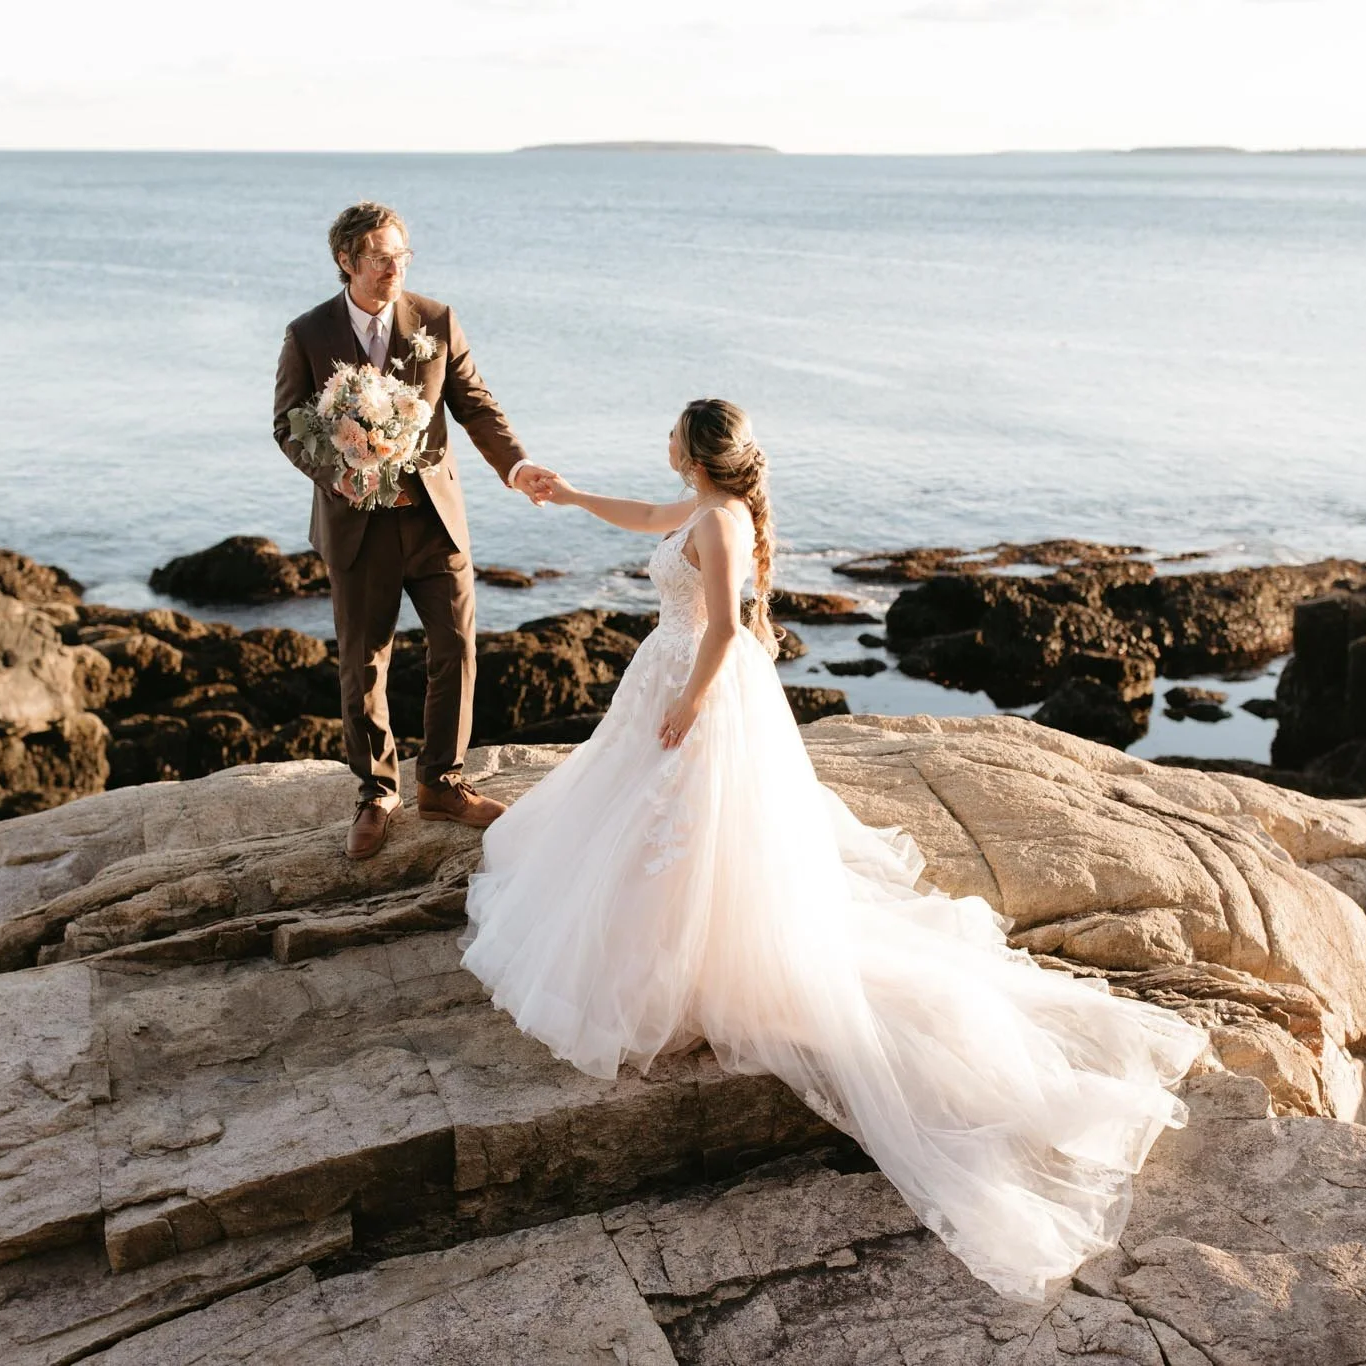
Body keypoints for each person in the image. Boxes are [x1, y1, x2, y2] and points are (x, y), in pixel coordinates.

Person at [461, 399, 1211, 1303]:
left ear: (696, 455)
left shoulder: (724, 518)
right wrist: (573, 495)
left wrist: (691, 705)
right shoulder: (700, 508)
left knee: (686, 831)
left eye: (670, 435)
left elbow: (731, 628)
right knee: (645, 829)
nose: (661, 445)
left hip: (699, 690)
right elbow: (649, 518)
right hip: (667, 677)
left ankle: (683, 963)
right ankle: (667, 951)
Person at [273, 202, 541, 860]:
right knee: (364, 662)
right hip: (357, 526)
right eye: (379, 258)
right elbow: (287, 423)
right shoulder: (308, 333)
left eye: (402, 255)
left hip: (434, 520)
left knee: (456, 647)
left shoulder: (437, 321)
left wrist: (518, 465)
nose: (394, 267)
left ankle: (443, 782)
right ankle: (376, 792)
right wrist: (338, 474)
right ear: (346, 261)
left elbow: (474, 402)